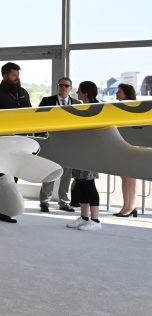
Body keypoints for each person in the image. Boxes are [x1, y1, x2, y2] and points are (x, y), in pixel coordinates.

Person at [0, 62, 31, 226]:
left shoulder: (23, 93)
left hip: (18, 144)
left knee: (12, 181)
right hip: (0, 144)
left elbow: (29, 114)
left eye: (18, 75)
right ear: (5, 76)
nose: (17, 78)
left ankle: (5, 212)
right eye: (14, 75)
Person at [37, 78, 79, 212]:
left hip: (69, 144)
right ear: (57, 87)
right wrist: (41, 136)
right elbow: (38, 118)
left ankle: (64, 202)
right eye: (61, 85)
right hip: (51, 141)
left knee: (67, 175)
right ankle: (44, 201)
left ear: (70, 88)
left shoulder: (77, 104)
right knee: (50, 172)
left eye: (66, 86)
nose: (63, 88)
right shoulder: (47, 101)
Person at [66, 81, 103, 232]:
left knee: (89, 185)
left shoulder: (97, 108)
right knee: (81, 184)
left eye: (79, 91)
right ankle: (84, 217)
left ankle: (95, 220)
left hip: (91, 153)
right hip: (80, 152)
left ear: (85, 93)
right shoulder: (83, 107)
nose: (77, 93)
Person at [113, 83, 139, 217]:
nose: (116, 93)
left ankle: (131, 206)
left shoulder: (132, 107)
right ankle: (126, 206)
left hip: (131, 145)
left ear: (126, 94)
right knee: (125, 178)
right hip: (123, 145)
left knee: (130, 178)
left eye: (119, 91)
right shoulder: (119, 107)